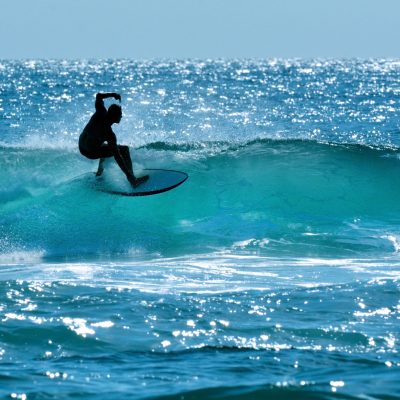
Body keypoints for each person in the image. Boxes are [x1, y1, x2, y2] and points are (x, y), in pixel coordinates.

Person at [79, 92, 148, 187]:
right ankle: (133, 180)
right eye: (120, 114)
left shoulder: (100, 112)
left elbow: (99, 96)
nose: (121, 116)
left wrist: (113, 94)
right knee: (124, 150)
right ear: (114, 117)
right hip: (90, 153)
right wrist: (128, 175)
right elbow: (118, 157)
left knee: (104, 147)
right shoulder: (109, 134)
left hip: (81, 146)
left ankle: (99, 175)